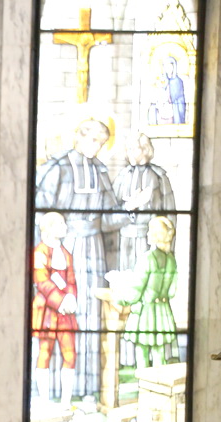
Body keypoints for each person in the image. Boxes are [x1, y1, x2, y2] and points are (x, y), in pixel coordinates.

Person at [34, 118, 151, 406]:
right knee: (61, 316)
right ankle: (55, 392)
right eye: (93, 140)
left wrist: (130, 207)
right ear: (79, 137)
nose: (96, 147)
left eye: (101, 143)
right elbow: (40, 213)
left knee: (90, 314)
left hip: (94, 250)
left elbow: (107, 218)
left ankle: (87, 388)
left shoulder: (99, 170)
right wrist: (50, 243)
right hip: (64, 247)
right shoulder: (57, 168)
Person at [118, 216, 179, 370]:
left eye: (151, 230)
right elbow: (172, 291)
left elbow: (135, 291)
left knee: (142, 352)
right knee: (159, 353)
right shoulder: (171, 260)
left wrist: (119, 296)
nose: (147, 233)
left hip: (145, 313)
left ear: (157, 235)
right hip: (163, 312)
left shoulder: (147, 259)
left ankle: (143, 384)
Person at [32, 211, 79, 407]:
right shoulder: (40, 252)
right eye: (60, 224)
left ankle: (66, 402)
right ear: (49, 229)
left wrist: (71, 298)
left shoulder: (66, 253)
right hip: (47, 312)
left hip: (65, 313)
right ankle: (44, 400)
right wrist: (61, 301)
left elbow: (71, 280)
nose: (65, 227)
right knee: (45, 353)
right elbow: (42, 282)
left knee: (70, 355)